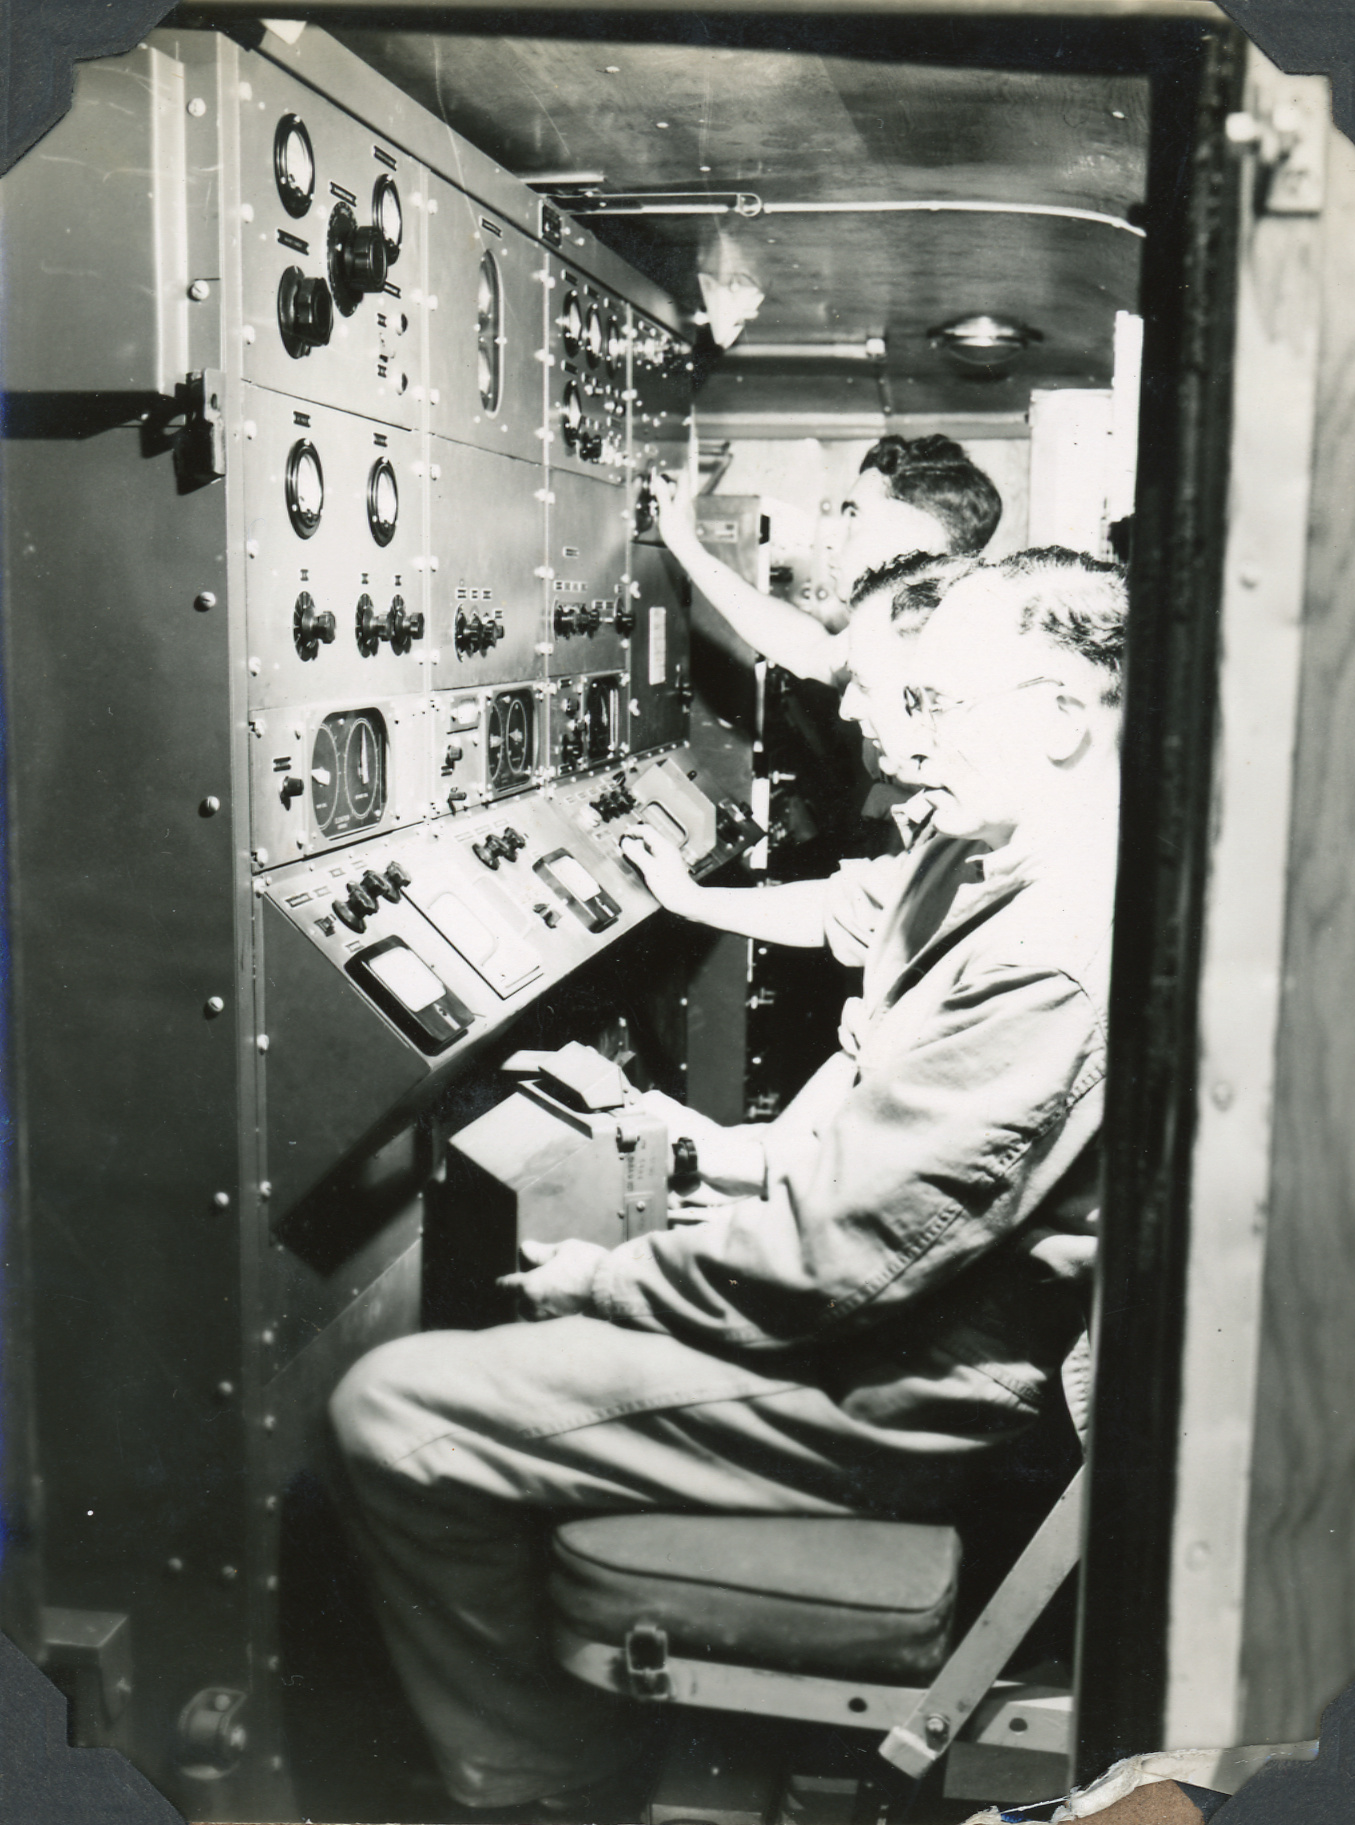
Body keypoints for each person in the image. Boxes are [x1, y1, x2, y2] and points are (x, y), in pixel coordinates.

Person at [329, 547, 1126, 1818]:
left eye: (927, 704)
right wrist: (692, 1161)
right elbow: (870, 1170)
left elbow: (837, 1259)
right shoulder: (998, 860)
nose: (888, 736)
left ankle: (544, 1784)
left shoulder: (1056, 952)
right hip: (900, 1321)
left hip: (910, 1395)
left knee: (396, 1410)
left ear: (1051, 717)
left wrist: (604, 1280)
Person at [620, 552, 979, 968]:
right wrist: (690, 900)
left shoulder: (988, 841)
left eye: (862, 684)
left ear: (933, 694)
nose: (847, 709)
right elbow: (855, 907)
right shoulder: (960, 819)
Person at [652, 433, 1003, 686]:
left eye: (854, 516)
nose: (832, 539)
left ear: (916, 537)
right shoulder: (896, 640)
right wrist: (687, 546)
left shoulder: (965, 659)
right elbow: (807, 647)